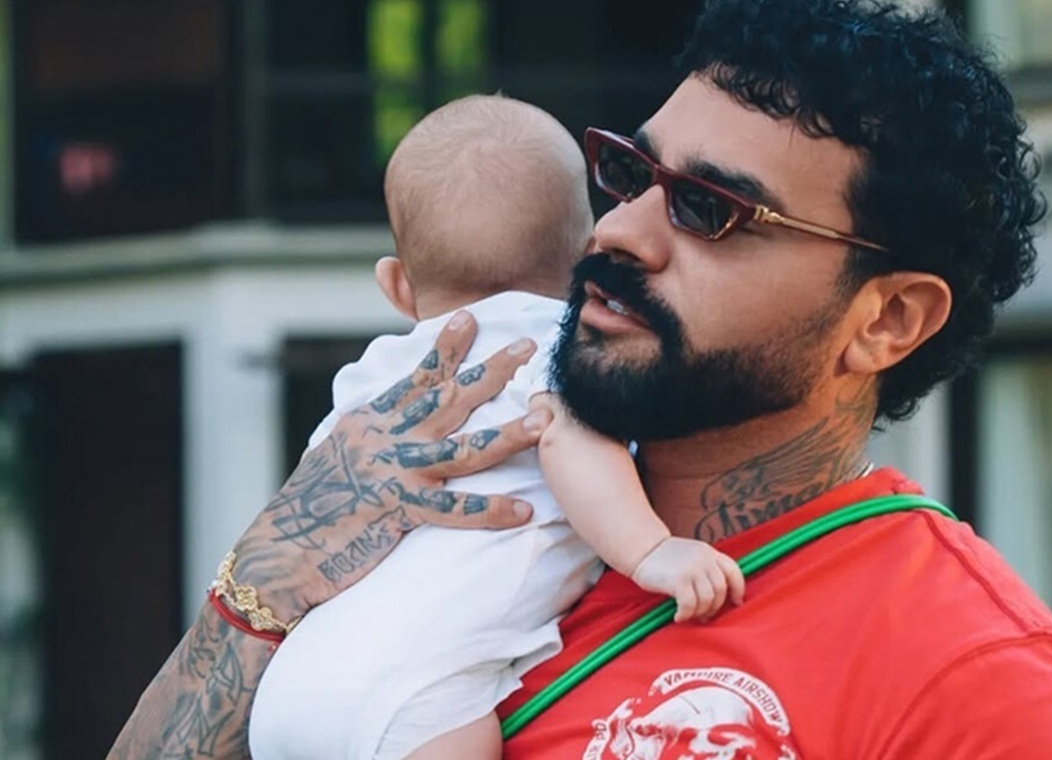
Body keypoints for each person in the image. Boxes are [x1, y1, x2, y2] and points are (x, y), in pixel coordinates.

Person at [110, 0, 1052, 760]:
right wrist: (260, 589)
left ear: (887, 320)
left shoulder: (985, 689)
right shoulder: (460, 497)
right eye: (629, 172)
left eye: (708, 208)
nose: (617, 231)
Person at [247, 94, 744, 760]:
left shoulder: (372, 377)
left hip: (292, 686)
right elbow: (568, 440)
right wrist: (651, 550)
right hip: (419, 694)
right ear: (586, 256)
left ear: (396, 286)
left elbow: (317, 490)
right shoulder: (556, 346)